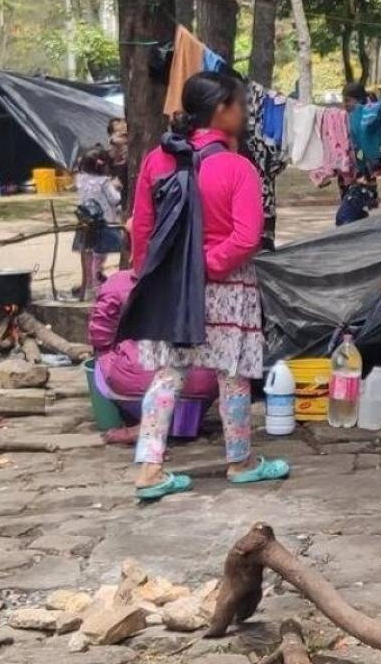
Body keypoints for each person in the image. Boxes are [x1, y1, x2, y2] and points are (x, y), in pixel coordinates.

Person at [128, 71, 290, 500]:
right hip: (228, 285)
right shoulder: (238, 168)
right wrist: (208, 266)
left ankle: (149, 468)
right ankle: (240, 462)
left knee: (167, 375)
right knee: (233, 376)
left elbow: (141, 228)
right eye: (240, 104)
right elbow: (246, 237)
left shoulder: (158, 161)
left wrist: (152, 275)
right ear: (222, 110)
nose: (244, 113)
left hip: (172, 286)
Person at [89, 270, 219, 445]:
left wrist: (109, 355)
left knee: (103, 360)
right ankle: (183, 425)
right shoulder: (203, 276)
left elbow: (99, 336)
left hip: (138, 384)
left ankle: (144, 424)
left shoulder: (119, 282)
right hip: (202, 385)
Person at [72, 145, 124, 300]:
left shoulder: (80, 180)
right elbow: (115, 199)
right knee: (99, 255)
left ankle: (87, 282)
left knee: (87, 252)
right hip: (104, 222)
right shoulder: (104, 182)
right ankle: (97, 284)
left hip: (85, 221)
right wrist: (117, 187)